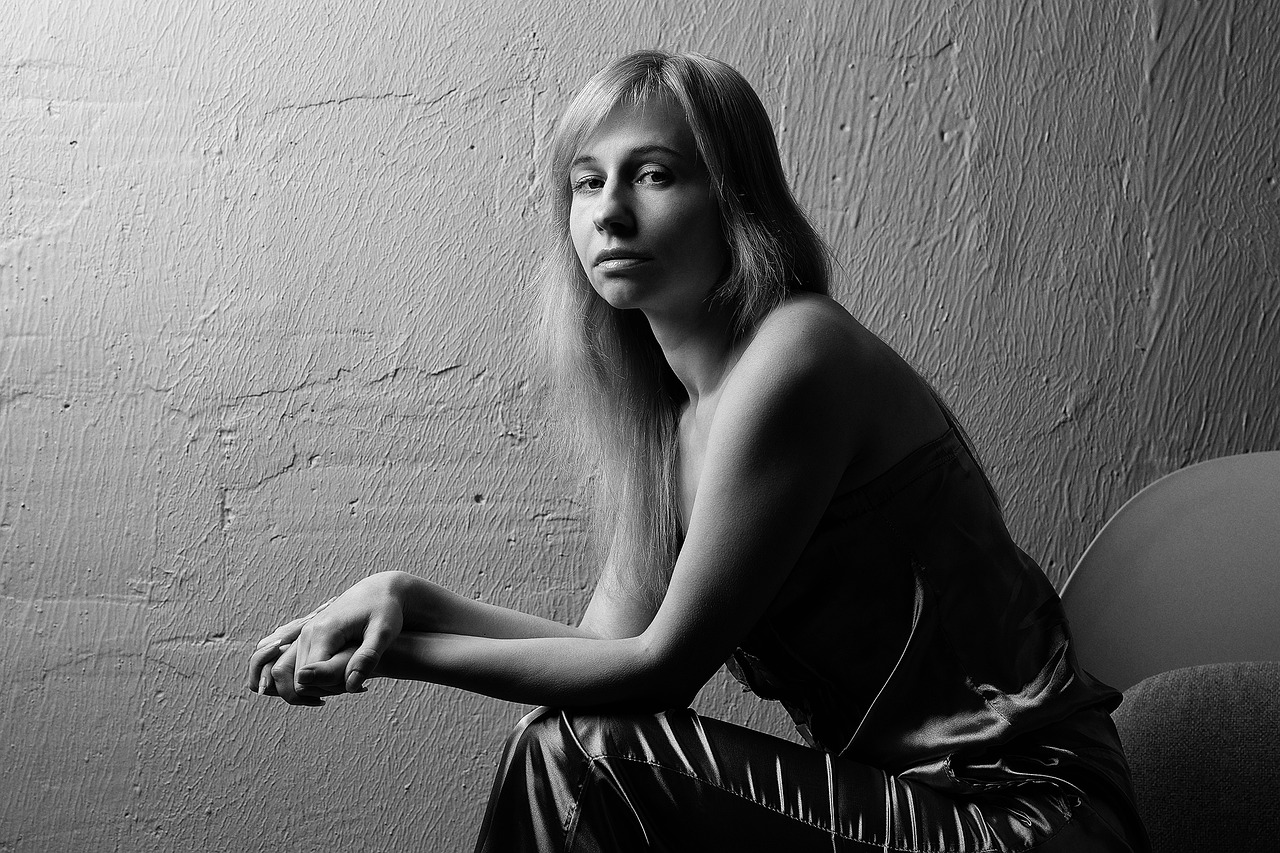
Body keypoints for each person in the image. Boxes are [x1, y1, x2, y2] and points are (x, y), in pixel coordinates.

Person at [247, 50, 1149, 852]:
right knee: (566, 743)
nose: (611, 212)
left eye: (654, 174)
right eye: (586, 183)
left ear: (734, 199)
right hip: (897, 809)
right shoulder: (673, 430)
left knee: (576, 752)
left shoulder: (799, 352)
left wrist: (398, 654)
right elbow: (606, 647)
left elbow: (659, 668)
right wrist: (405, 596)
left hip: (1026, 815)